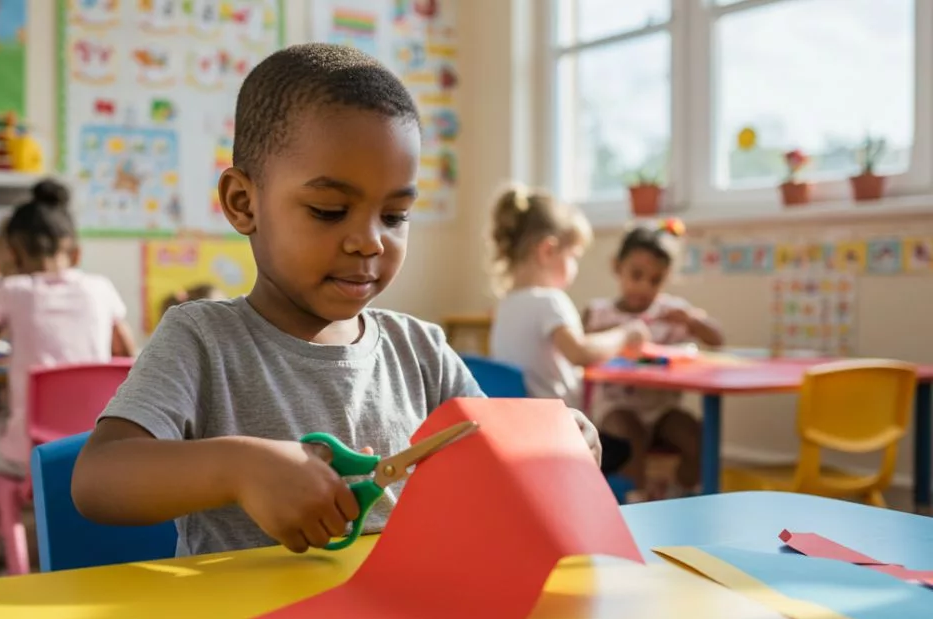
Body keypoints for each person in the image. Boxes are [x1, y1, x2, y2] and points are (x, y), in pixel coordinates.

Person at [71, 43, 604, 558]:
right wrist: (238, 468)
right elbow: (97, 478)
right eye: (329, 209)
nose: (371, 240)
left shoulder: (420, 350)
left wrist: (549, 447)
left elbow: (490, 457)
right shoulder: (201, 339)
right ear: (242, 203)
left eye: (394, 216)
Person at [0, 179, 136, 578]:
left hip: (30, 452)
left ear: (13, 252)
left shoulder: (11, 290)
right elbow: (128, 357)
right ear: (74, 250)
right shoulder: (100, 288)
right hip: (97, 444)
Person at [485, 184, 639, 475]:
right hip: (560, 436)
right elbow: (580, 352)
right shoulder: (550, 301)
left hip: (517, 436)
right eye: (574, 256)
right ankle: (637, 501)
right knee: (632, 444)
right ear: (548, 250)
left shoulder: (505, 306)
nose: (575, 266)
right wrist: (625, 334)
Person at [584, 220, 723, 494]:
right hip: (615, 405)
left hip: (662, 409)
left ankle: (686, 495)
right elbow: (581, 344)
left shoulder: (671, 312)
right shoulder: (600, 313)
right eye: (636, 275)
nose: (644, 287)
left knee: (698, 437)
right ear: (617, 267)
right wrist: (607, 333)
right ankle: (635, 501)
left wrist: (693, 321)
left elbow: (717, 339)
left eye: (655, 280)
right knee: (630, 436)